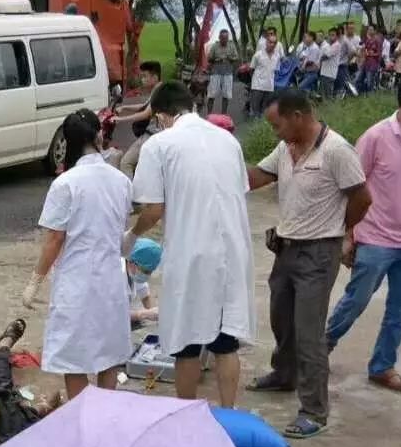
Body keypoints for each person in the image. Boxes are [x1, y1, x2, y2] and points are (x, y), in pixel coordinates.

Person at [246, 88, 372, 439]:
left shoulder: (336, 151)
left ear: (297, 117)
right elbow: (257, 177)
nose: (275, 132)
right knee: (281, 319)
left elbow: (362, 198)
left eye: (277, 125)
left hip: (318, 253)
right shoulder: (287, 149)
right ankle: (284, 375)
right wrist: (218, 170)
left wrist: (340, 230)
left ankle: (314, 410)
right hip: (285, 249)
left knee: (309, 332)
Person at [127, 80, 255, 408]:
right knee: (225, 342)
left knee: (186, 340)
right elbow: (238, 191)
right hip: (232, 251)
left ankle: (186, 415)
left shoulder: (160, 145)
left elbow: (153, 210)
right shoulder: (228, 141)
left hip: (192, 251)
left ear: (161, 116)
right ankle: (229, 412)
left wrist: (131, 235)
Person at [326, 66, 401, 394]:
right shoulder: (376, 137)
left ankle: (383, 366)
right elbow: (351, 187)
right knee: (357, 300)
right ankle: (321, 347)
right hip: (376, 237)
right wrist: (348, 236)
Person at [23, 108, 133, 398]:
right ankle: (104, 414)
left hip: (78, 278)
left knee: (75, 355)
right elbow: (119, 225)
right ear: (99, 135)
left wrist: (35, 281)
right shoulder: (120, 180)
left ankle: (83, 418)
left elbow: (55, 238)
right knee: (108, 351)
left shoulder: (66, 183)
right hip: (112, 275)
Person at [115, 60, 163, 178]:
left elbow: (146, 113)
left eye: (145, 76)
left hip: (152, 134)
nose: (142, 80)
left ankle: (131, 194)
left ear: (155, 77)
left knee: (126, 163)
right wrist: (124, 107)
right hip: (155, 133)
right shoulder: (158, 89)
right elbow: (143, 106)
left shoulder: (159, 91)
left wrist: (121, 119)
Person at [126, 237, 162, 326]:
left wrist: (155, 312)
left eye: (150, 271)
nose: (147, 275)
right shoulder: (116, 276)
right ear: (132, 264)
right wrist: (142, 314)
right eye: (146, 271)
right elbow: (112, 312)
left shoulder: (135, 271)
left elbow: (145, 296)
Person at [248, 28, 283, 119]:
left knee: (265, 111)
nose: (272, 44)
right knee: (255, 111)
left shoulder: (277, 56)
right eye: (270, 42)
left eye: (274, 43)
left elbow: (275, 70)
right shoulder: (258, 55)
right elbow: (251, 69)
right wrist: (256, 80)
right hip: (258, 86)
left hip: (269, 87)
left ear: (276, 45)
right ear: (266, 42)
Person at [205, 29, 240, 117]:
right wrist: (216, 60)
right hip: (215, 72)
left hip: (227, 73)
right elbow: (209, 59)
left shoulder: (231, 46)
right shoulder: (214, 46)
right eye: (223, 38)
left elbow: (236, 58)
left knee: (226, 94)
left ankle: (223, 115)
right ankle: (209, 114)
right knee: (211, 94)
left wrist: (230, 58)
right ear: (219, 38)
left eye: (226, 38)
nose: (224, 40)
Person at [335, 21, 361, 95]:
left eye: (352, 28)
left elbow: (356, 51)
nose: (351, 30)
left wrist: (350, 60)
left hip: (349, 62)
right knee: (343, 80)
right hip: (340, 63)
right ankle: (345, 93)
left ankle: (353, 93)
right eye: (349, 28)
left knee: (347, 80)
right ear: (346, 29)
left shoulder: (356, 38)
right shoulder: (341, 38)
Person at [357, 26, 382, 93]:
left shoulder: (377, 40)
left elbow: (379, 54)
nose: (370, 31)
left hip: (372, 65)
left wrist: (372, 54)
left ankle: (370, 96)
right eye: (369, 30)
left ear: (374, 31)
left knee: (369, 83)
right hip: (365, 63)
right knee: (358, 79)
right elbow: (364, 50)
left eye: (371, 29)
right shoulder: (367, 40)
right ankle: (360, 93)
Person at [318, 27, 341, 100]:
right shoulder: (329, 45)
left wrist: (320, 58)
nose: (331, 37)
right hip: (325, 72)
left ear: (337, 36)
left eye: (333, 35)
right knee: (323, 93)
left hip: (330, 73)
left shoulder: (336, 45)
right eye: (330, 35)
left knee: (328, 95)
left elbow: (326, 56)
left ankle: (330, 108)